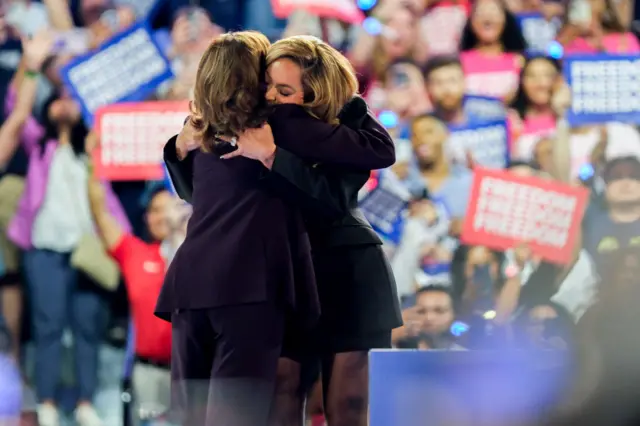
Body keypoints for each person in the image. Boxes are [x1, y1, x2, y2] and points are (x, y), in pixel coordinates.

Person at [159, 32, 397, 426]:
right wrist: (179, 147)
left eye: (283, 89)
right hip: (283, 272)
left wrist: (273, 155)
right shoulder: (253, 122)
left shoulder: (302, 125)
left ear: (315, 93)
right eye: (267, 83)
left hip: (344, 267)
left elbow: (356, 177)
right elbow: (201, 192)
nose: (270, 96)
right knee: (280, 395)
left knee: (347, 403)